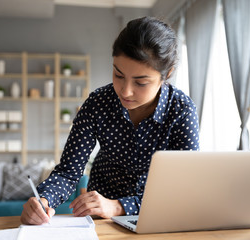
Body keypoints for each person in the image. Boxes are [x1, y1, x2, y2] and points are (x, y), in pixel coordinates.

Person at [21, 16, 199, 225]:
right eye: (118, 74)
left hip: (158, 216)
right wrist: (43, 199)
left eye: (141, 82)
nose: (125, 91)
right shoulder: (98, 102)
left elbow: (183, 189)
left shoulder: (182, 111)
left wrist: (118, 206)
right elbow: (68, 172)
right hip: (100, 218)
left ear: (167, 74)